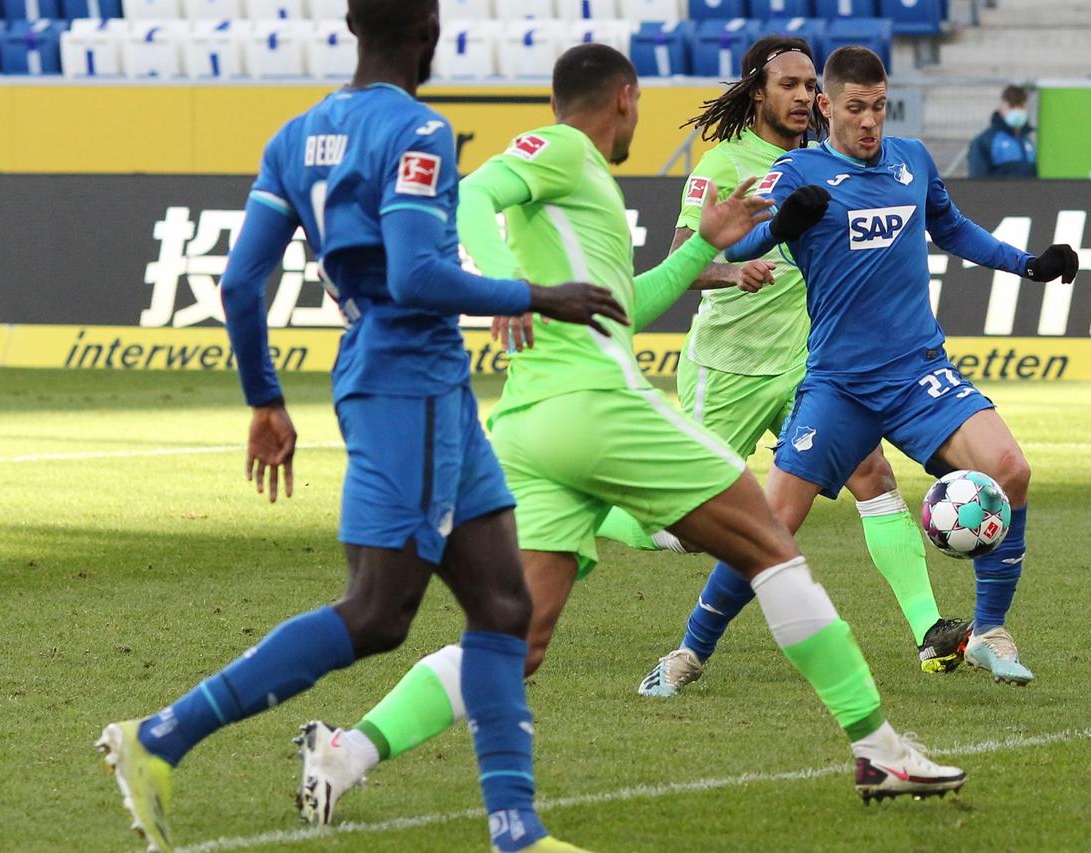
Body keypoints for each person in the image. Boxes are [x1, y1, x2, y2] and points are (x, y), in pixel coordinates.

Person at [292, 42, 966, 830]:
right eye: (637, 105)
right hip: (597, 410)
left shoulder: (587, 203)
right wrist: (511, 284)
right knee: (772, 547)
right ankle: (879, 746)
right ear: (623, 97)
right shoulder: (566, 151)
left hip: (531, 428)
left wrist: (705, 242)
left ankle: (347, 751)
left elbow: (626, 306)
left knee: (519, 640)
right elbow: (472, 194)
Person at [94, 3, 626, 852]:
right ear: (429, 31)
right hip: (407, 381)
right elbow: (417, 274)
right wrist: (538, 293)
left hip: (419, 385)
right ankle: (160, 737)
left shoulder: (296, 135)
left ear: (351, 23)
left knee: (501, 602)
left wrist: (264, 399)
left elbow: (239, 284)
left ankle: (517, 830)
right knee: (378, 611)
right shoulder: (418, 130)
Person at [587, 36, 970, 699]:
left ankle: (929, 628)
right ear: (758, 92)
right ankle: (591, 508)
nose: (800, 98)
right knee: (690, 531)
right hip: (729, 369)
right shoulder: (727, 164)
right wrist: (734, 268)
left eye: (806, 86)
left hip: (809, 366)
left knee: (872, 472)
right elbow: (684, 259)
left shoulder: (832, 160)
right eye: (786, 85)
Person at [719, 46, 1078, 688]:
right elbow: (737, 244)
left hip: (918, 373)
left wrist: (1029, 265)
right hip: (841, 385)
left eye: (879, 107)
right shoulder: (796, 169)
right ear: (827, 107)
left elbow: (953, 228)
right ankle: (689, 651)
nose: (869, 121)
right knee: (772, 528)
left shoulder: (911, 160)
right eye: (855, 108)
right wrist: (779, 229)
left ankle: (990, 635)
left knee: (1011, 471)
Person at [967, 84, 1037, 178]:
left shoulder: (1028, 142)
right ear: (1002, 107)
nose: (1017, 111)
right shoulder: (985, 141)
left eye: (1020, 107)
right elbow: (977, 182)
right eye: (1012, 106)